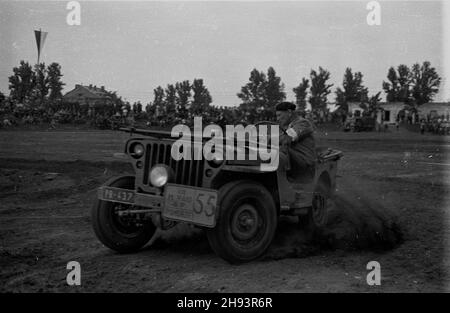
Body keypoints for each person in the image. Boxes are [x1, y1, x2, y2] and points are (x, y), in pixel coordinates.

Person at [275, 101, 316, 179]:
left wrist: (268, 139)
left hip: (304, 161)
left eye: (279, 115)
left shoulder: (303, 123)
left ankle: (283, 179)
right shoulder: (289, 125)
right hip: (296, 159)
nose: (278, 119)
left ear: (289, 112)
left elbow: (287, 138)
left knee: (278, 150)